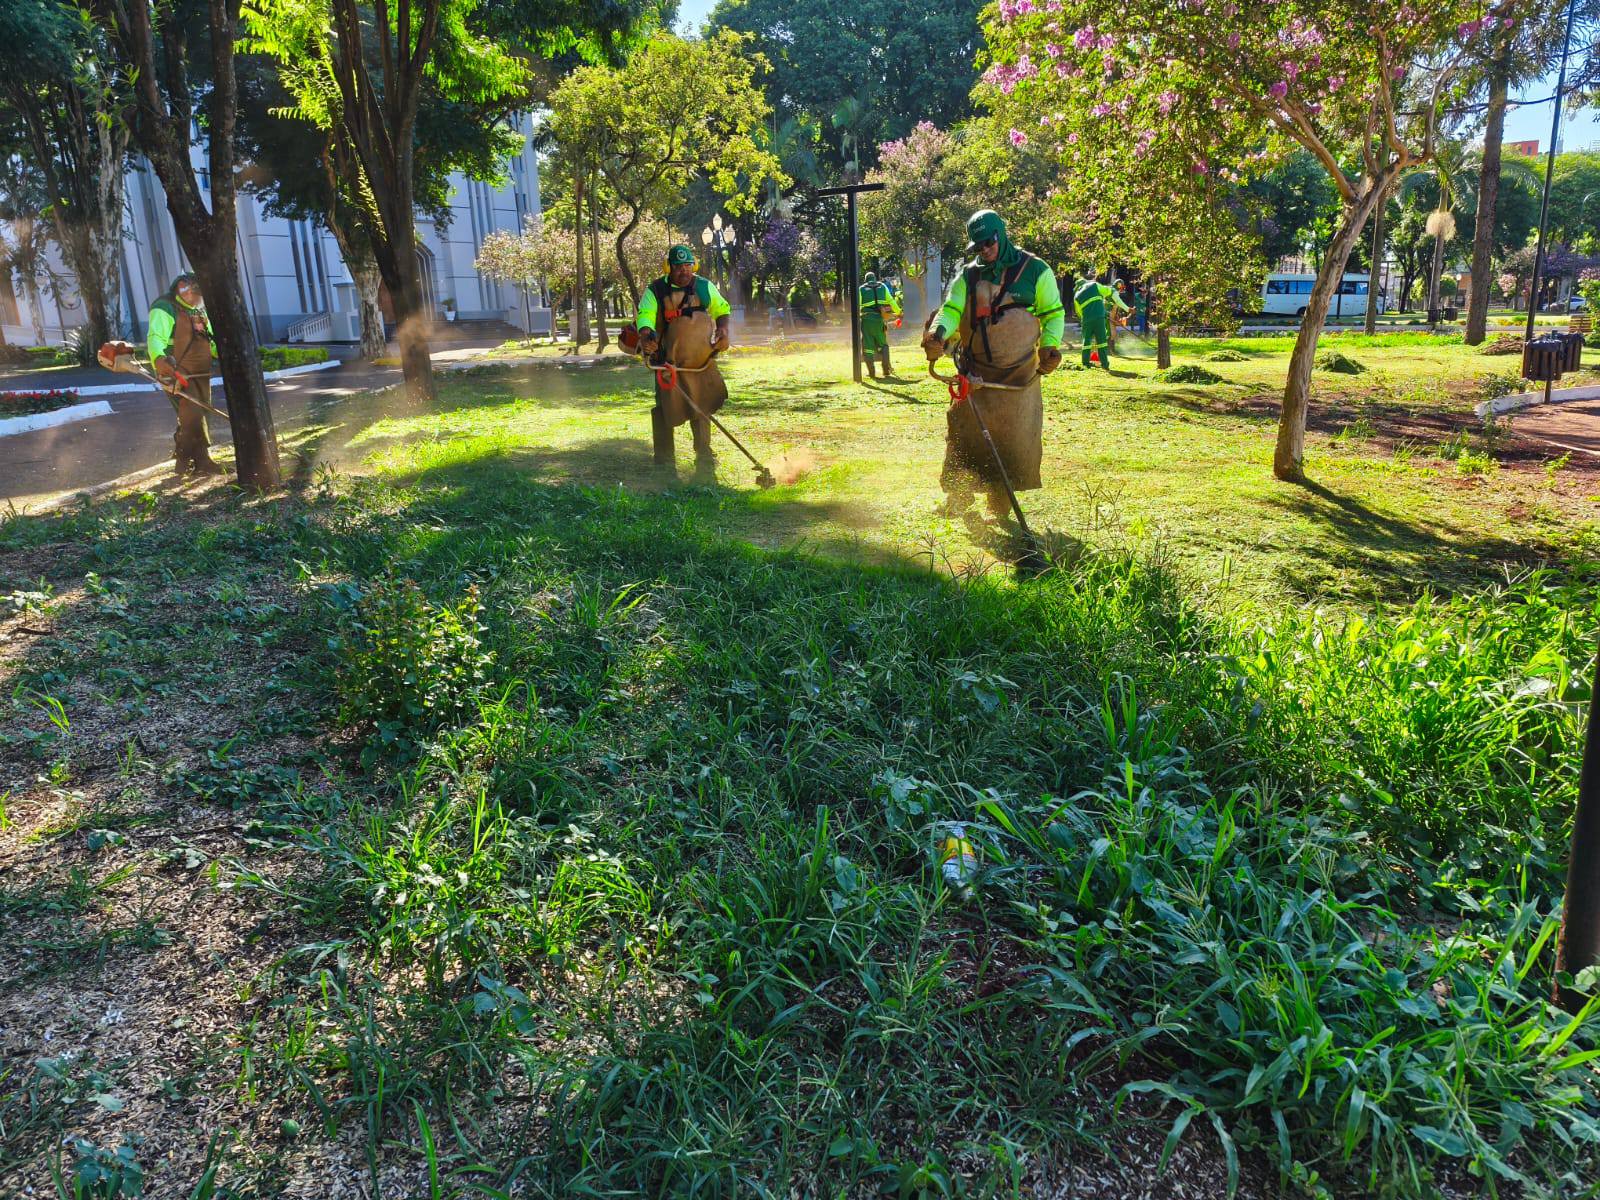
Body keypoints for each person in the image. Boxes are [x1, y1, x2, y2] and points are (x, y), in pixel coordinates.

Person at [921, 209, 1064, 518]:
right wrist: (938, 332)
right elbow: (952, 308)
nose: (985, 250)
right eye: (979, 246)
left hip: (1019, 377)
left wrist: (1050, 346)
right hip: (977, 373)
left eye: (989, 242)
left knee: (1012, 437)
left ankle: (1000, 500)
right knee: (962, 432)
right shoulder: (968, 275)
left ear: (1002, 234)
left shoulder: (1035, 270)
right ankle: (959, 496)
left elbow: (1053, 313)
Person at [635, 244, 732, 471]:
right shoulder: (656, 291)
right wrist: (646, 333)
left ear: (693, 266)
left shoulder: (705, 287)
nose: (684, 271)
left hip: (700, 362)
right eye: (678, 267)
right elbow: (646, 316)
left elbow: (722, 309)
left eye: (687, 266)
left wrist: (723, 329)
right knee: (665, 408)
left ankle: (704, 452)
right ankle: (664, 458)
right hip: (669, 364)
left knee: (702, 405)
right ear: (669, 268)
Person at [148, 273, 223, 476]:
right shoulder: (165, 307)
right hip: (175, 373)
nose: (201, 297)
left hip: (199, 373)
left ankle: (183, 463)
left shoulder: (198, 310)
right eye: (197, 292)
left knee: (197, 414)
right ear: (183, 288)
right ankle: (199, 462)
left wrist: (222, 352)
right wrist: (158, 359)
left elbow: (210, 339)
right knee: (192, 416)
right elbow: (155, 338)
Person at [1073, 271, 1130, 370]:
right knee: (1102, 341)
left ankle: (1085, 363)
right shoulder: (1094, 285)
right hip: (1099, 317)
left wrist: (1087, 316)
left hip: (1086, 319)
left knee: (1086, 341)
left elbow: (1079, 312)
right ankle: (1104, 364)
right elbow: (1109, 291)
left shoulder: (1076, 296)